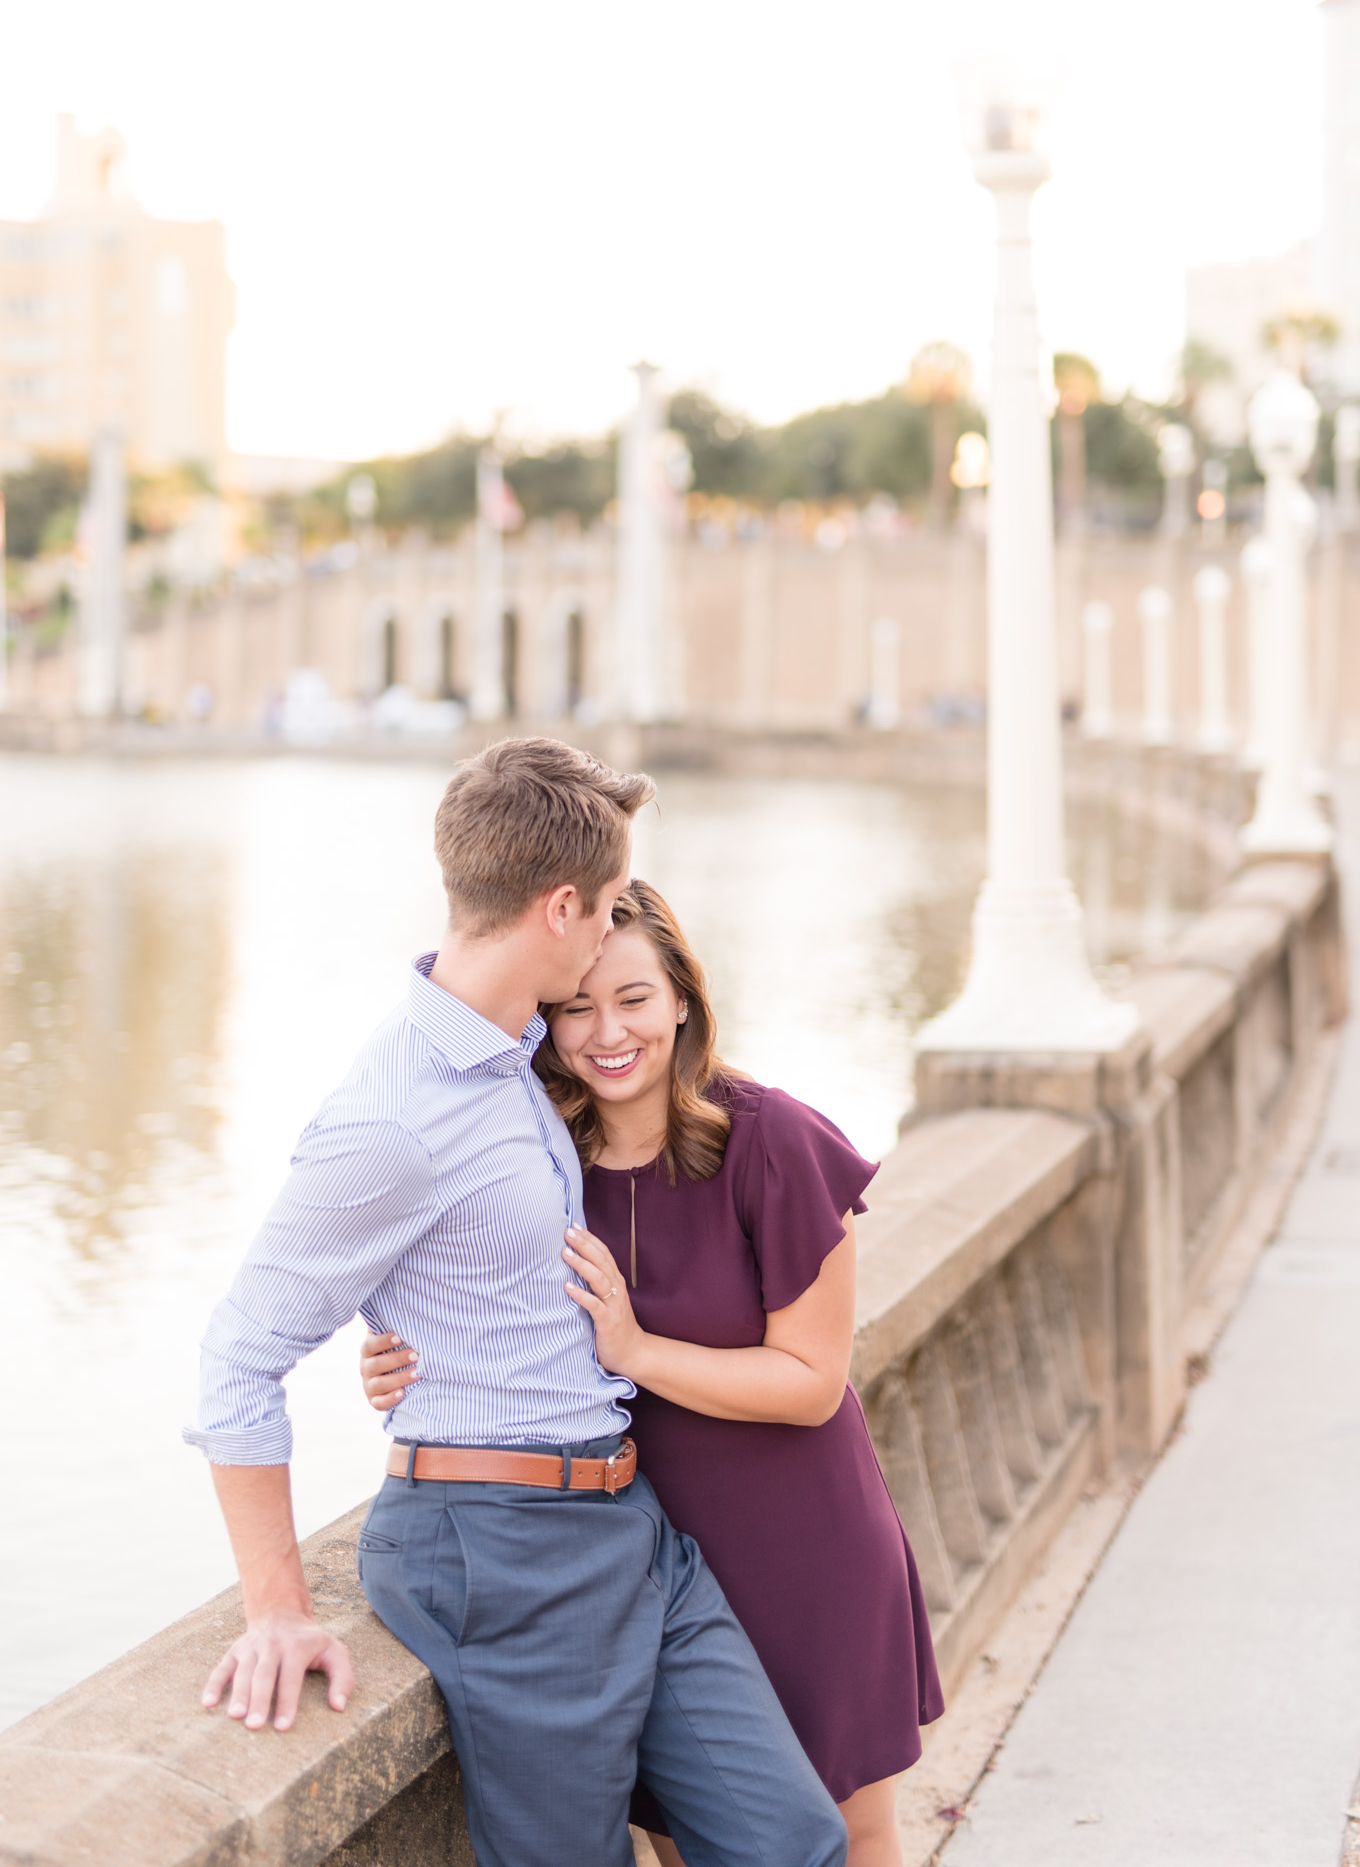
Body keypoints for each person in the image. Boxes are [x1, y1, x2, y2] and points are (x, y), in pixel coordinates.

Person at [185, 738, 847, 1867]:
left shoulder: (522, 1054)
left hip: (628, 1524)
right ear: (556, 907)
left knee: (791, 1840)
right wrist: (276, 1605)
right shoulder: (389, 1116)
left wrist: (401, 1338)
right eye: (598, 918)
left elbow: (468, 1265)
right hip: (497, 1549)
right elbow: (236, 1359)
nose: (607, 936)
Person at [362, 877, 943, 1867]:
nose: (605, 1032)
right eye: (575, 1006)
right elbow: (482, 1311)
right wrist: (405, 1358)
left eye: (632, 997)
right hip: (640, 1555)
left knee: (845, 1829)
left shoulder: (774, 1140)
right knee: (679, 1839)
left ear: (681, 997)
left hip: (802, 1543)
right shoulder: (538, 1160)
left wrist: (634, 1349)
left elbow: (809, 1382)